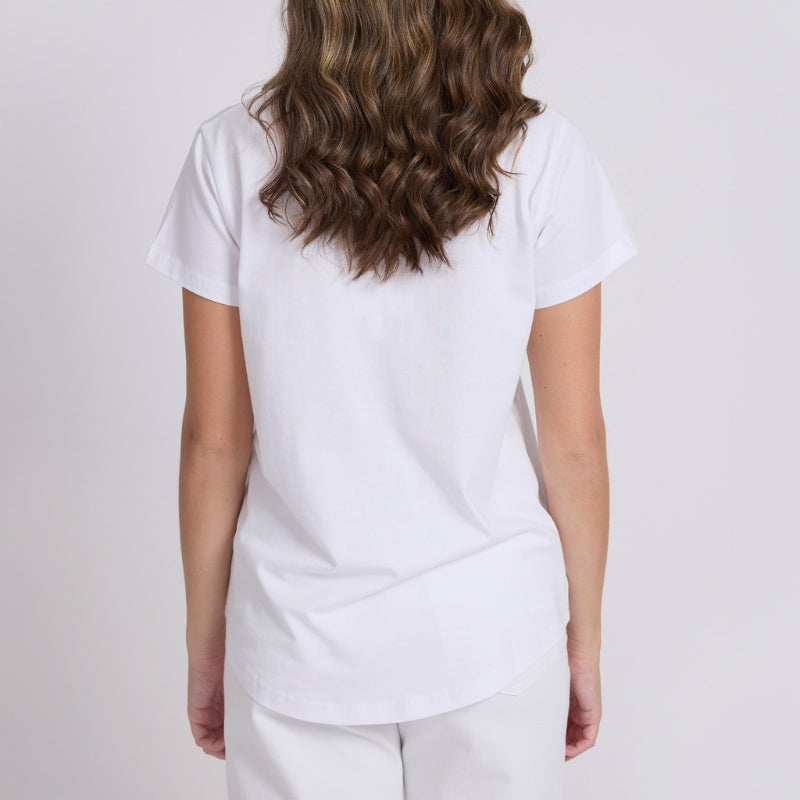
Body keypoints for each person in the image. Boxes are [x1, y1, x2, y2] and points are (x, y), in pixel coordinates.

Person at [144, 2, 639, 797]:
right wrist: (585, 640)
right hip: (493, 632)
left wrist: (207, 647)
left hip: (298, 640)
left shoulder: (231, 153)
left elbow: (214, 441)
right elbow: (574, 443)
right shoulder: (541, 154)